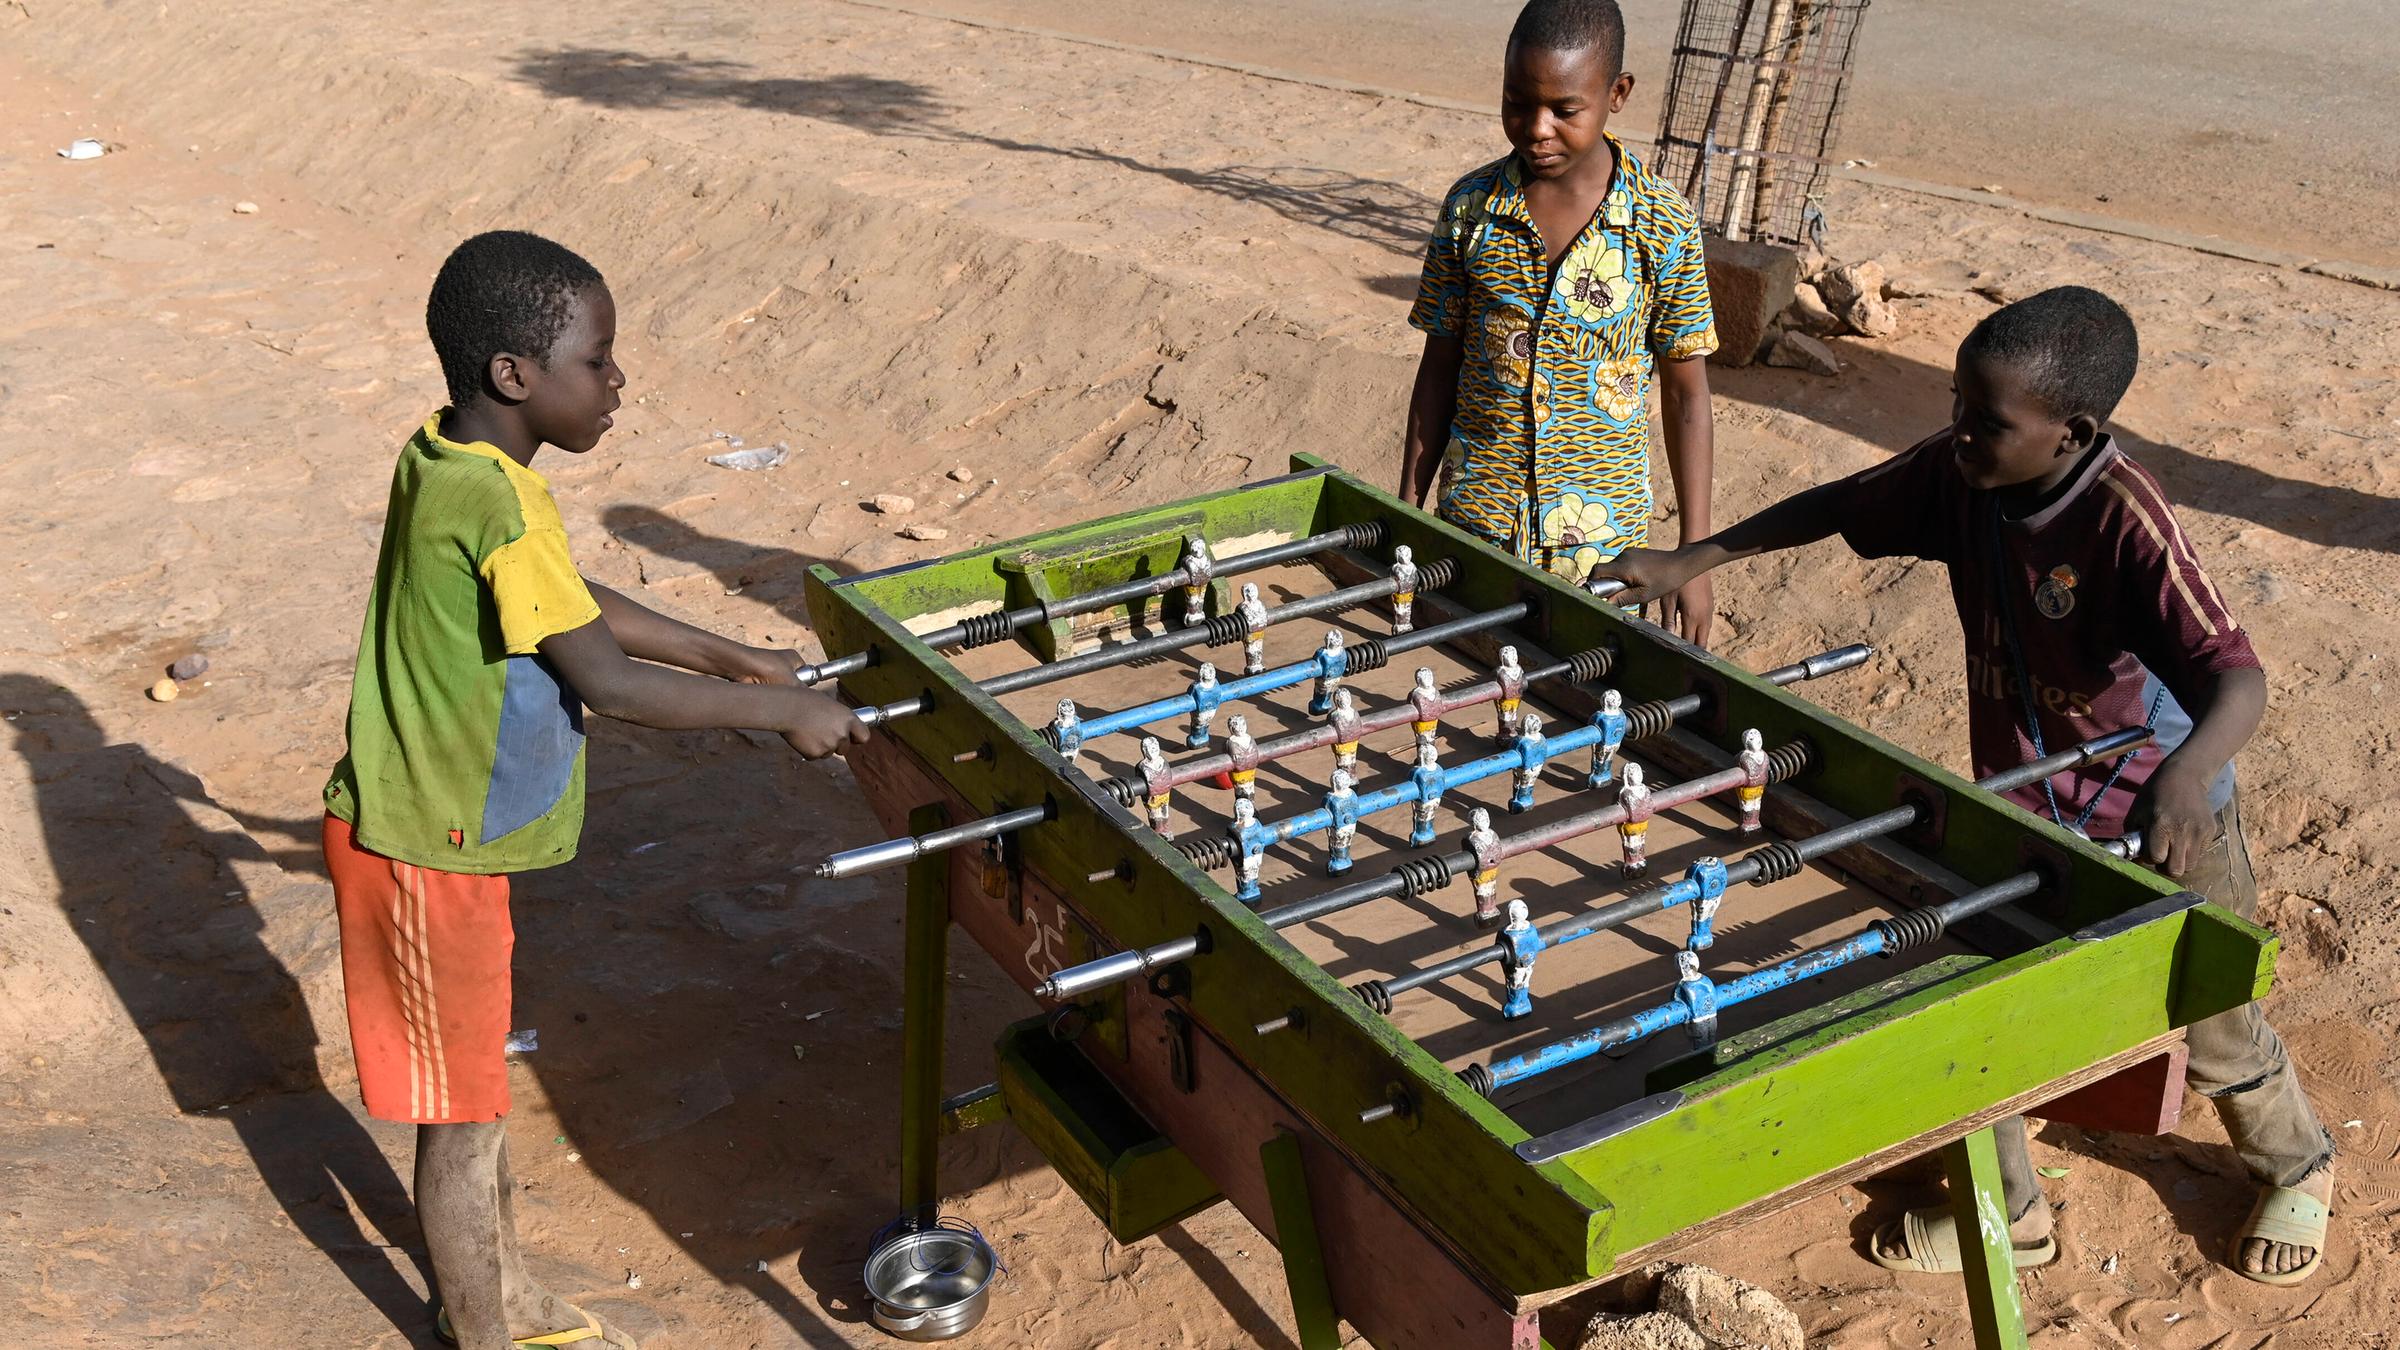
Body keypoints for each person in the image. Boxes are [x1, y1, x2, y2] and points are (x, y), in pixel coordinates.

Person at [1593, 285, 2335, 1284]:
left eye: (1986, 422)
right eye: (1956, 406)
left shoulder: (2124, 520)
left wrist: (2190, 773)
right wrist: (1697, 553)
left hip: (2164, 822)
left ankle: (2298, 1163)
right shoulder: (1961, 477)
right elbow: (1839, 503)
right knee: (1987, 1014)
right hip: (2023, 812)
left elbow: (2236, 674)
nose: (1958, 435)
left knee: (2208, 1028)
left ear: (2072, 434)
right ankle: (2014, 1217)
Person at [321, 231, 868, 1348]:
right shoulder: (502, 504)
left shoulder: (454, 459)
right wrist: (786, 711)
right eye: (600, 359)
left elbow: (564, 600)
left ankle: (501, 1295)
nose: (618, 381)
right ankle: (481, 1325)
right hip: (427, 845)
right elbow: (605, 682)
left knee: (470, 1091)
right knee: (462, 1118)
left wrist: (736, 656)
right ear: (516, 376)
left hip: (440, 831)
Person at [1400, 0, 1720, 643]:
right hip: (1473, 533)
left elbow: (1688, 397)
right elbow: (1438, 371)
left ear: (1617, 94)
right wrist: (1406, 516)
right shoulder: (1470, 210)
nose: (1536, 128)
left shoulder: (1664, 227)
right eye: (1517, 102)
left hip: (1602, 559)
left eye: (1565, 110)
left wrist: (1694, 558)